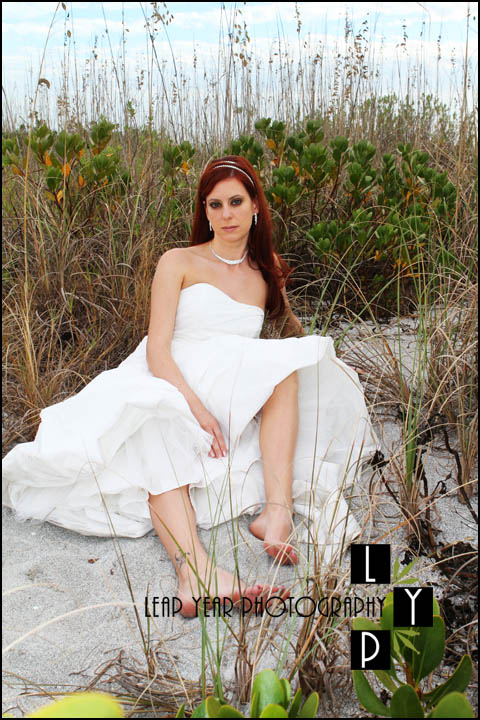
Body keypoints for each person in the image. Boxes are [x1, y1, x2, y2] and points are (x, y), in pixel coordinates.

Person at [2, 156, 379, 617]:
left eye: (236, 202)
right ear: (205, 211)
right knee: (154, 417)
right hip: (171, 372)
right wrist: (195, 407)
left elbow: (288, 333)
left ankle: (276, 513)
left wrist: (327, 363)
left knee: (286, 370)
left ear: (256, 206)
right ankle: (195, 573)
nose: (226, 214)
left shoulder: (266, 271)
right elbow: (158, 349)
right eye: (215, 205)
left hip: (227, 379)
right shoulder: (178, 261)